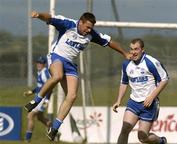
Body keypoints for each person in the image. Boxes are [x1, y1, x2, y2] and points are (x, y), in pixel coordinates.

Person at [24, 11, 131, 141]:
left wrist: (125, 53)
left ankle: (55, 128)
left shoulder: (91, 35)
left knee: (72, 95)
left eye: (91, 28)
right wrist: (39, 15)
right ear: (80, 22)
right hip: (56, 57)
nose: (89, 30)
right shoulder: (68, 24)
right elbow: (50, 18)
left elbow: (109, 42)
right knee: (57, 76)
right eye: (87, 27)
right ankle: (35, 101)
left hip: (70, 65)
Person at [112, 38, 168, 144]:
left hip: (149, 105)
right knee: (125, 129)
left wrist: (151, 97)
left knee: (143, 137)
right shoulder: (126, 64)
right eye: (131, 49)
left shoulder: (151, 62)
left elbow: (164, 80)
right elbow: (124, 82)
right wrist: (118, 100)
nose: (133, 52)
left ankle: (161, 141)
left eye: (136, 49)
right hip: (133, 102)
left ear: (142, 50)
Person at [24, 56, 52, 142]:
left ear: (44, 64)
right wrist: (31, 92)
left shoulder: (45, 73)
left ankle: (28, 138)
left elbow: (49, 88)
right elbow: (41, 87)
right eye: (38, 62)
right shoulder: (40, 72)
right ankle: (54, 131)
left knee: (30, 115)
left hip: (42, 99)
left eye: (41, 63)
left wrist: (46, 101)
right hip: (38, 97)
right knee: (40, 118)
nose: (39, 64)